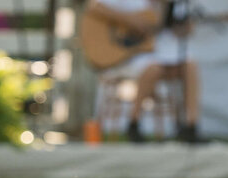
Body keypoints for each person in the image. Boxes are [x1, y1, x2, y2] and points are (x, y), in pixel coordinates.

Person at [86, 0, 202, 142]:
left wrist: (183, 28)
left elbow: (176, 33)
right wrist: (129, 19)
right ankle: (134, 123)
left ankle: (190, 126)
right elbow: (94, 7)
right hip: (127, 57)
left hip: (158, 56)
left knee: (190, 65)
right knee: (153, 68)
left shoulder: (171, 6)